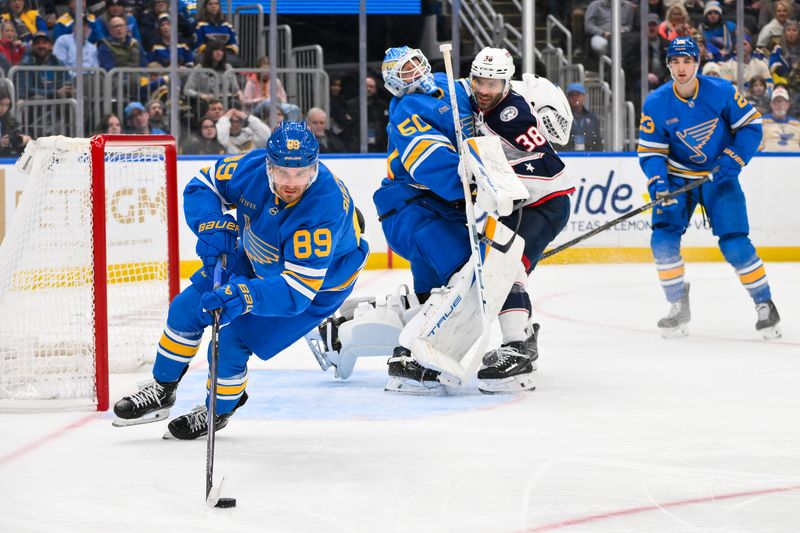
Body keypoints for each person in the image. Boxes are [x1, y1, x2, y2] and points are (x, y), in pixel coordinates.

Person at [111, 121, 370, 439]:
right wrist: (211, 223)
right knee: (185, 309)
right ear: (269, 165)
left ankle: (217, 410)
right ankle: (163, 390)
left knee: (231, 341)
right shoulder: (251, 168)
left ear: (313, 168)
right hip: (256, 254)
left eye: (301, 173)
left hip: (315, 285)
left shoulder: (321, 209)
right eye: (283, 173)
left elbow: (296, 291)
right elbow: (204, 184)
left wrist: (245, 295)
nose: (292, 183)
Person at [637, 36, 781, 339]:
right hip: (678, 178)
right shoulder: (656, 102)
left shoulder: (721, 91)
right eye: (675, 61)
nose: (681, 67)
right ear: (668, 65)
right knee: (662, 239)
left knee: (735, 243)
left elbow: (751, 127)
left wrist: (733, 159)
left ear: (697, 63)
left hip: (719, 176)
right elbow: (651, 152)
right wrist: (660, 182)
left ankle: (764, 303)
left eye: (687, 61)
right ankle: (677, 303)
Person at [466, 47, 573, 393]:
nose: (484, 89)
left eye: (493, 83)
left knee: (506, 269)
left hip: (546, 204)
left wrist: (482, 174)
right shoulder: (483, 102)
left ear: (506, 83)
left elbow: (540, 151)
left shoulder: (510, 116)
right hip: (517, 206)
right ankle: (523, 339)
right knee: (502, 271)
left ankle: (517, 350)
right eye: (479, 80)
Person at [372, 46, 476, 393]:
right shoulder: (405, 111)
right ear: (392, 83)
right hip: (410, 205)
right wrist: (474, 191)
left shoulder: (454, 85)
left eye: (416, 62)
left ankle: (370, 324)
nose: (415, 71)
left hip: (443, 208)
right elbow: (430, 162)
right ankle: (408, 358)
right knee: (464, 273)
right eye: (404, 70)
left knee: (432, 290)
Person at [563, 82, 604, 151]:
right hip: (568, 156)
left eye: (578, 95)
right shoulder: (563, 117)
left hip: (589, 157)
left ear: (584, 96)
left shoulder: (592, 118)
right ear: (567, 98)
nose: (575, 98)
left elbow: (598, 142)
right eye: (572, 95)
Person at [759, 85, 800, 151]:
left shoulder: (798, 125)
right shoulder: (761, 123)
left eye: (782, 101)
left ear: (788, 104)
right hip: (767, 159)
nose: (779, 104)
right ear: (771, 104)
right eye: (776, 101)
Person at [0, 87, 31, 156]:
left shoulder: (9, 120)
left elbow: (18, 137)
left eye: (7, 105)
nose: (4, 109)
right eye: (1, 104)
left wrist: (25, 139)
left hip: (8, 159)